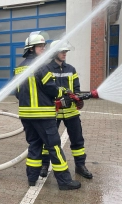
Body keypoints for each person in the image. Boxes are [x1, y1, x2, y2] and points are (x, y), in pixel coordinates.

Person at [14, 32, 81, 190]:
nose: (43, 49)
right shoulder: (41, 66)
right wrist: (63, 92)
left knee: (34, 145)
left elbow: (17, 92)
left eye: (44, 47)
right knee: (54, 146)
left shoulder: (18, 68)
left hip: (26, 115)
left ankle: (32, 178)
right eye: (40, 47)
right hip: (43, 115)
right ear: (31, 49)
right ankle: (64, 181)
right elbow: (51, 88)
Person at [39, 40, 92, 179]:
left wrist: (78, 100)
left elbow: (77, 89)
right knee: (48, 140)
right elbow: (45, 91)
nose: (65, 54)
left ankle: (80, 166)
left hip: (71, 112)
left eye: (66, 51)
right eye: (62, 51)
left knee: (77, 139)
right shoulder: (47, 69)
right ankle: (44, 165)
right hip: (53, 112)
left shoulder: (71, 69)